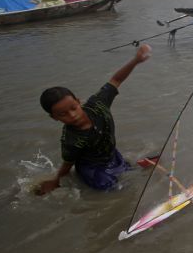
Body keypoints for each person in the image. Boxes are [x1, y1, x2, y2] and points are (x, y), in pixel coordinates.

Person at [36, 45, 152, 195]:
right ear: (54, 118)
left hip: (110, 155)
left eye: (73, 108)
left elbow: (116, 79)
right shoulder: (71, 139)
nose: (72, 115)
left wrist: (135, 61)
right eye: (63, 114)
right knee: (117, 190)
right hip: (92, 168)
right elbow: (67, 164)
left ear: (78, 101)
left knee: (131, 172)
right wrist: (56, 180)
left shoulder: (98, 104)